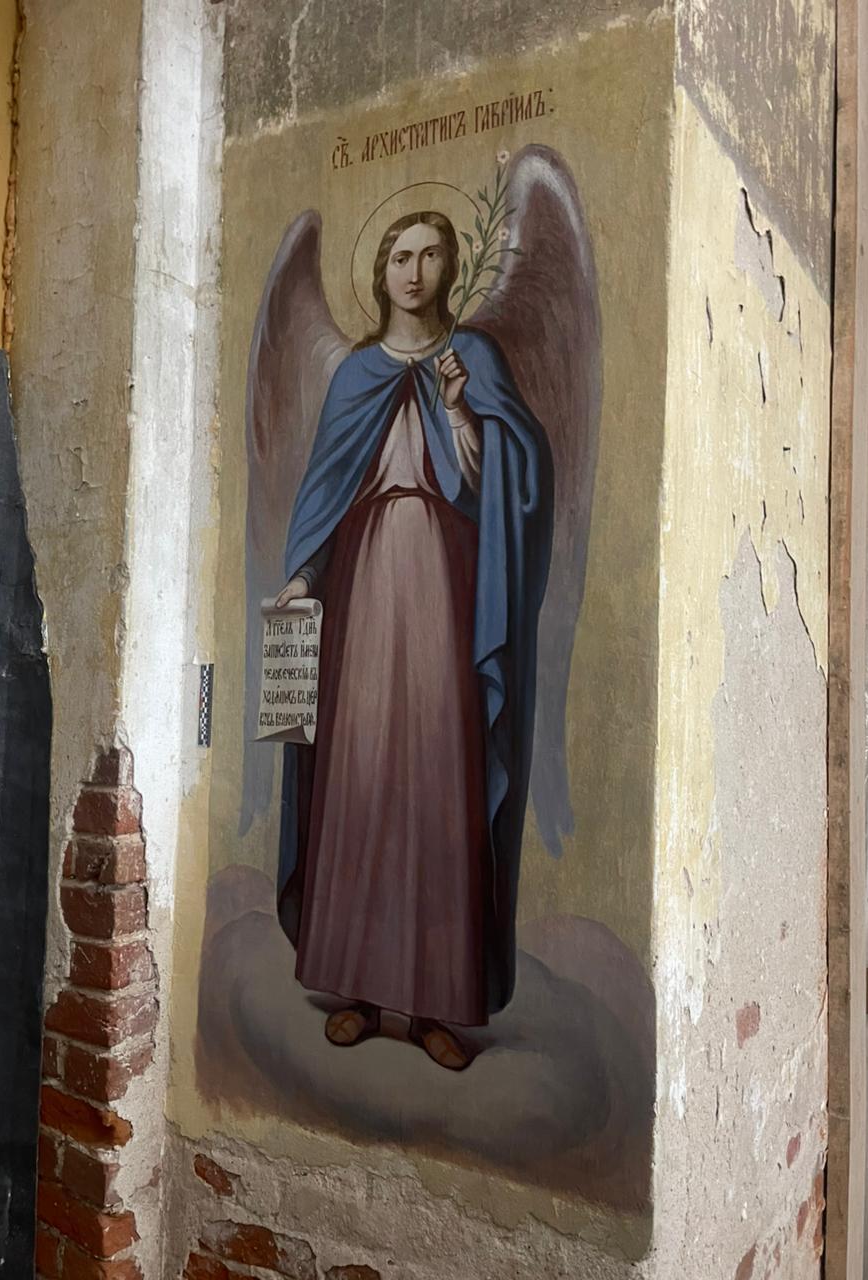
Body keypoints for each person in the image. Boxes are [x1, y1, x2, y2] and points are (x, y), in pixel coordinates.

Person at [274, 209, 553, 1070]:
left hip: (443, 588)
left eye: (431, 255)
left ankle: (437, 1002)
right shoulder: (357, 375)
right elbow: (325, 493)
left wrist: (464, 414)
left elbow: (504, 491)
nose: (414, 270)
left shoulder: (473, 362)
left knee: (438, 777)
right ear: (382, 269)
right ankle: (357, 988)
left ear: (449, 267)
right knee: (359, 773)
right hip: (363, 591)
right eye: (401, 255)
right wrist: (302, 576)